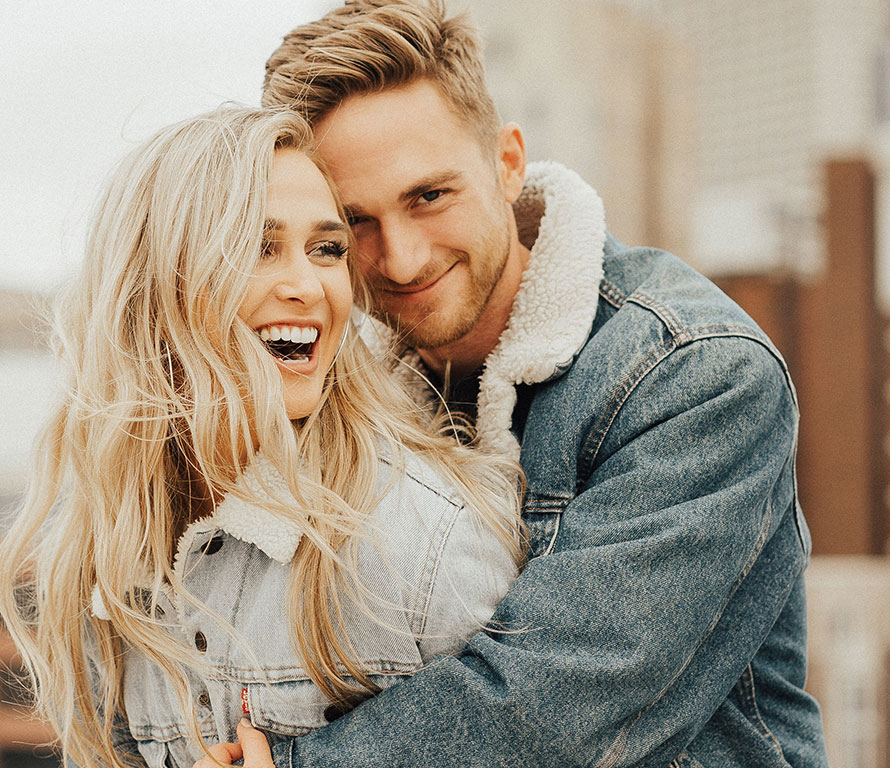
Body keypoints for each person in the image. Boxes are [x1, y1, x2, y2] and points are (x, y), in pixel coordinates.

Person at [238, 1, 830, 766]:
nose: (403, 258)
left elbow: (561, 708)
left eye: (429, 196)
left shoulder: (698, 372)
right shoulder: (336, 391)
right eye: (355, 223)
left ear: (508, 163)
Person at [0, 106, 527, 768]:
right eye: (257, 247)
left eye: (327, 250)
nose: (308, 286)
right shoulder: (109, 551)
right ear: (152, 288)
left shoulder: (424, 542)